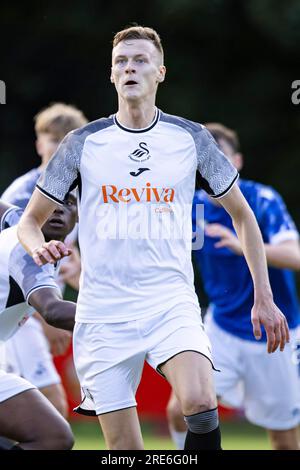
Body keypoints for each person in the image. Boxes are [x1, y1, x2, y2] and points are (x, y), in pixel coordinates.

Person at [17, 26, 289, 451]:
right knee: (126, 452)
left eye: (140, 60)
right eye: (121, 62)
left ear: (160, 72)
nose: (130, 68)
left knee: (199, 402)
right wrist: (38, 247)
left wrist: (264, 296)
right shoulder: (81, 144)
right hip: (102, 311)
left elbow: (243, 215)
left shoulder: (191, 138)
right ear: (111, 75)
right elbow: (29, 221)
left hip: (170, 300)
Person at [167, 123, 300, 450]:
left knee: (283, 438)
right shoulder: (190, 207)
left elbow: (295, 256)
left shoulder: (262, 199)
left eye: (220, 158)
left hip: (274, 333)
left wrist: (245, 247)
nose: (212, 167)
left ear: (237, 161)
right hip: (220, 329)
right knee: (178, 411)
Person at [1, 103, 87, 417]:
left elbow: (67, 258)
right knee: (52, 409)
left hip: (41, 304)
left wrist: (78, 277)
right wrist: (48, 319)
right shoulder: (25, 194)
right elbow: (17, 261)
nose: (59, 147)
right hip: (27, 311)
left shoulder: (78, 194)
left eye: (67, 140)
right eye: (53, 139)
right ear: (39, 144)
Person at [0, 197, 77, 449]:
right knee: (53, 437)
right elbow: (53, 311)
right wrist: (125, 318)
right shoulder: (29, 251)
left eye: (68, 202)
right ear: (34, 205)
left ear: (79, 216)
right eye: (49, 199)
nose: (57, 207)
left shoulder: (17, 221)